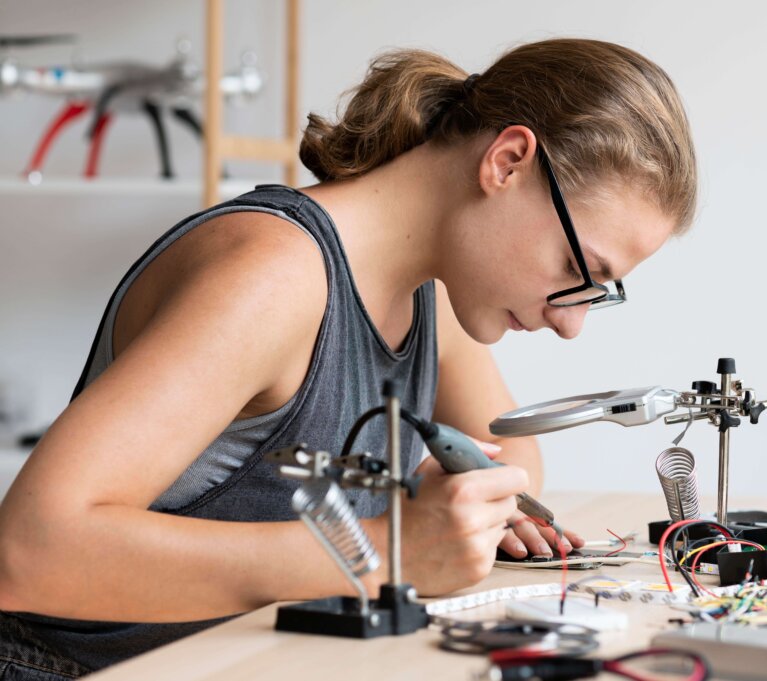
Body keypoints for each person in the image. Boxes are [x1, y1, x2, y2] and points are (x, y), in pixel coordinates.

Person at [0, 38, 697, 678]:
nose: (571, 323)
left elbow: (507, 457)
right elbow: (29, 553)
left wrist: (475, 504)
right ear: (507, 161)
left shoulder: (432, 290)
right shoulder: (273, 277)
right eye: (577, 266)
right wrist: (382, 552)